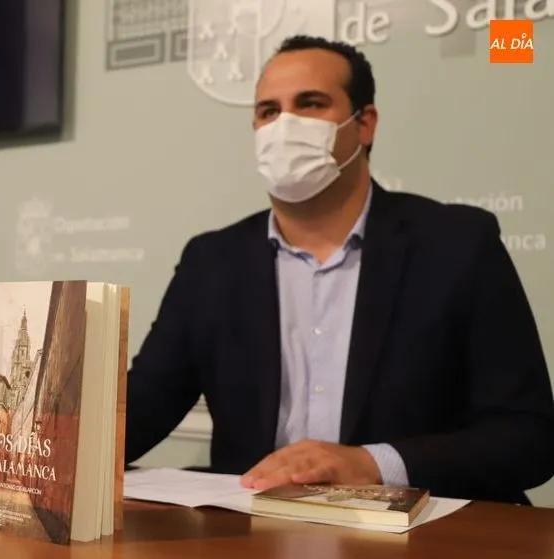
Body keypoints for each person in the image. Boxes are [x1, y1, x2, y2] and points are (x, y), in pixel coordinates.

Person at [124, 35, 554, 505]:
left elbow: (527, 437)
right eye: (269, 112)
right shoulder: (212, 262)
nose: (284, 126)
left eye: (310, 104)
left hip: (421, 537)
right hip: (254, 534)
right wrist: (45, 437)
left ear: (364, 124)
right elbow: (141, 409)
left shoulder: (456, 244)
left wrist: (371, 463)